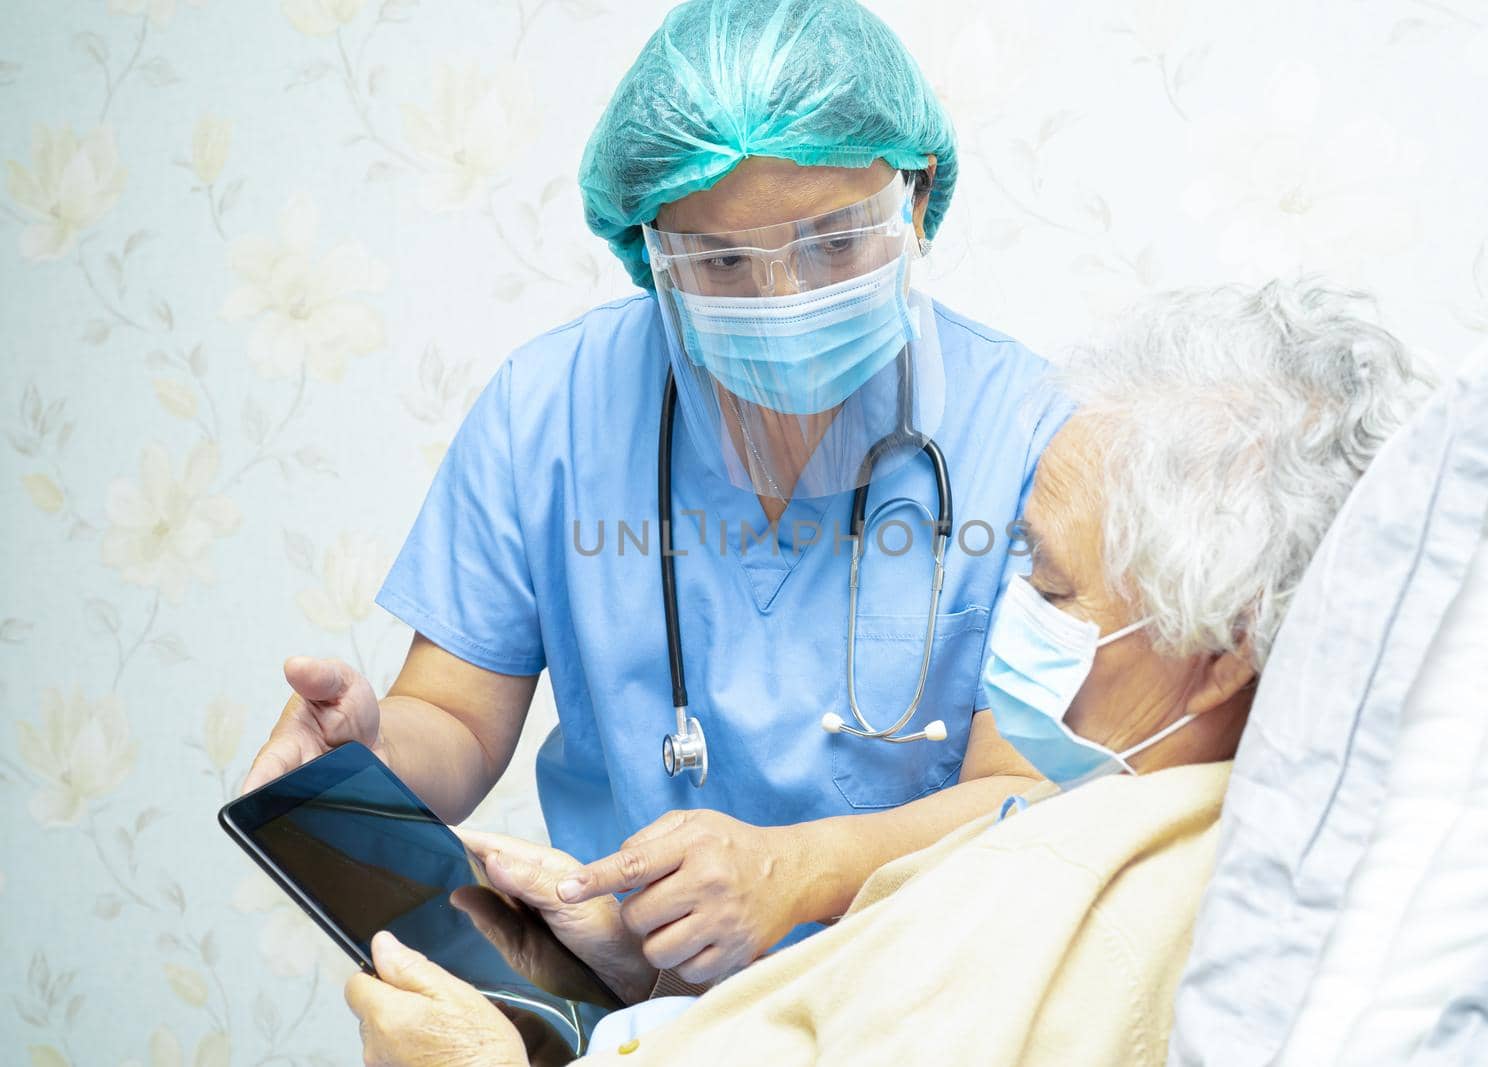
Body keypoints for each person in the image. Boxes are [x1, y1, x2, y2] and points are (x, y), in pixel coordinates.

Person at [342, 278, 1427, 1065]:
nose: (1003, 621)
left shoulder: (1067, 899)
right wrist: (635, 973)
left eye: (1048, 589)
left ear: (1222, 656)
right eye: (719, 259)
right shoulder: (1145, 835)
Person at [242, 0, 1070, 991]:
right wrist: (370, 753)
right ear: (649, 248)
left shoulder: (1031, 435)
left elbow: (1038, 791)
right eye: (721, 261)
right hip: (629, 1006)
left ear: (917, 192)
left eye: (837, 242)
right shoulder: (551, 409)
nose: (783, 301)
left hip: (915, 1004)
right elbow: (456, 722)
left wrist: (804, 868)